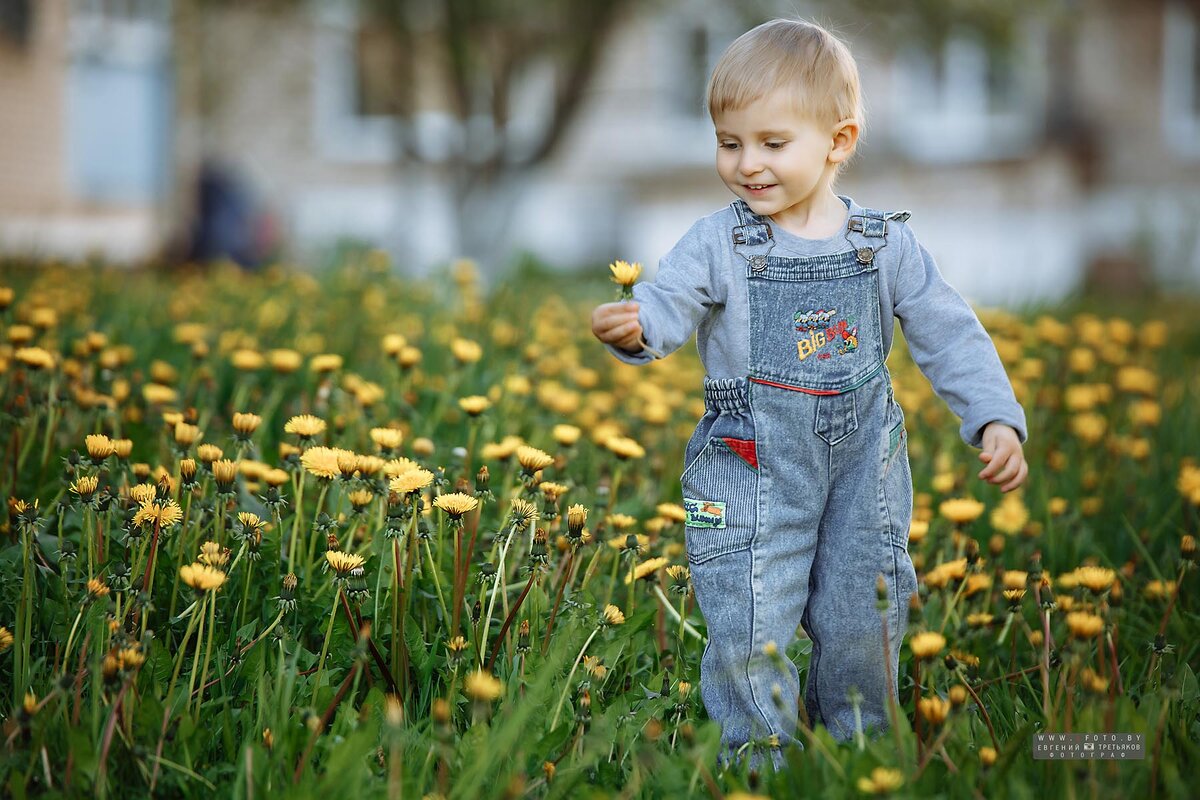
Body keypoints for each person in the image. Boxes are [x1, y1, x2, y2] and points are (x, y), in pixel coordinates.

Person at [590, 18, 1028, 773]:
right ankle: (760, 761)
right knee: (748, 615)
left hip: (864, 472)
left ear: (838, 140)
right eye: (729, 143)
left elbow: (948, 330)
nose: (746, 164)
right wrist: (639, 328)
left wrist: (993, 416)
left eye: (771, 143)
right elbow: (669, 300)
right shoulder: (718, 243)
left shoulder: (884, 245)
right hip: (752, 466)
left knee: (865, 609)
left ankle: (861, 756)